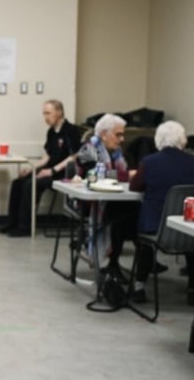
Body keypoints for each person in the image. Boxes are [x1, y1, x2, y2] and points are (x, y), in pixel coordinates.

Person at [128, 120, 194, 304]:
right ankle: (192, 288)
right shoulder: (193, 162)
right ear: (183, 140)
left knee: (145, 244)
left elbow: (135, 186)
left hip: (156, 230)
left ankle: (139, 286)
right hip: (187, 229)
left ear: (158, 140)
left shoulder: (149, 162)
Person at [0, 99, 82, 237]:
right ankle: (12, 222)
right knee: (18, 182)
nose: (45, 117)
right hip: (49, 170)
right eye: (44, 113)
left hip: (63, 174)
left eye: (48, 113)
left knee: (30, 185)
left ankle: (25, 227)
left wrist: (52, 171)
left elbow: (73, 157)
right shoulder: (51, 132)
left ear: (59, 112)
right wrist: (32, 169)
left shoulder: (71, 131)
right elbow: (47, 157)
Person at [76, 113, 139, 280]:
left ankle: (133, 261)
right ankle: (113, 263)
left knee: (134, 211)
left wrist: (127, 174)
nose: (122, 139)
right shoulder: (88, 150)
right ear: (104, 134)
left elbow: (132, 172)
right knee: (121, 214)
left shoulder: (119, 154)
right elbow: (94, 175)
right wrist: (125, 175)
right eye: (118, 134)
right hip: (91, 202)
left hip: (117, 199)